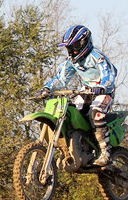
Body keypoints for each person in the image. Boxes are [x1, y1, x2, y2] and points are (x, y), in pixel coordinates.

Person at [37, 24, 118, 166]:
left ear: (83, 43)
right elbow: (62, 79)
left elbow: (109, 74)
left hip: (104, 92)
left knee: (96, 112)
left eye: (74, 47)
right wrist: (47, 88)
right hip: (85, 91)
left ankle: (106, 152)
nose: (72, 51)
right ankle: (77, 147)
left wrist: (102, 86)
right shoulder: (71, 62)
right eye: (69, 48)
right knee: (70, 111)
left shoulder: (97, 57)